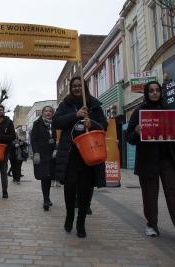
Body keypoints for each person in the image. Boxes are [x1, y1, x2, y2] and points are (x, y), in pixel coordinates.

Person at [127, 81, 175, 243]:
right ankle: (151, 225)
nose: (154, 93)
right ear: (147, 93)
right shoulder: (139, 113)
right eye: (151, 90)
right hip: (147, 161)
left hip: (168, 160)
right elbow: (129, 139)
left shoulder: (169, 111)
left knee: (174, 193)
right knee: (150, 195)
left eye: (157, 90)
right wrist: (137, 132)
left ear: (160, 92)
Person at [53, 76, 107, 238]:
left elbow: (103, 125)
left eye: (80, 86)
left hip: (89, 153)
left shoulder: (94, 104)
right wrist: (75, 115)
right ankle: (70, 215)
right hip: (71, 154)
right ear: (71, 88)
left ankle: (81, 222)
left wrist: (93, 124)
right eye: (74, 86)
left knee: (85, 188)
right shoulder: (65, 104)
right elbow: (56, 123)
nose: (77, 88)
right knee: (69, 187)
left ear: (85, 88)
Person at [31, 105, 57, 211]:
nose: (48, 113)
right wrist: (36, 153)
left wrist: (56, 148)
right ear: (42, 113)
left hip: (53, 155)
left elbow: (58, 137)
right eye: (46, 111)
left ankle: (48, 197)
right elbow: (34, 139)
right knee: (44, 177)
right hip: (42, 155)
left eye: (50, 111)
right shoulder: (37, 124)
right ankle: (46, 199)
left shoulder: (56, 124)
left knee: (50, 177)